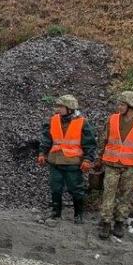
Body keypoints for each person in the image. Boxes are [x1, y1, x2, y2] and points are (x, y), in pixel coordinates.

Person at [97, 91, 133, 240]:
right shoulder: (112, 119)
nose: (119, 106)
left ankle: (119, 222)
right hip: (111, 164)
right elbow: (103, 139)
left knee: (125, 197)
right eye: (119, 103)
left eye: (122, 104)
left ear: (131, 106)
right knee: (108, 195)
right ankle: (106, 222)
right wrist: (99, 159)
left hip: (130, 167)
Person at [37, 95, 96, 224]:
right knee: (55, 188)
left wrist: (87, 159)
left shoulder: (82, 122)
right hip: (55, 161)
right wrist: (42, 153)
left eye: (61, 107)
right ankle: (56, 212)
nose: (58, 109)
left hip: (72, 163)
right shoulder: (53, 120)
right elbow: (47, 139)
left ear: (69, 108)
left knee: (76, 189)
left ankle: (78, 215)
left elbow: (90, 144)